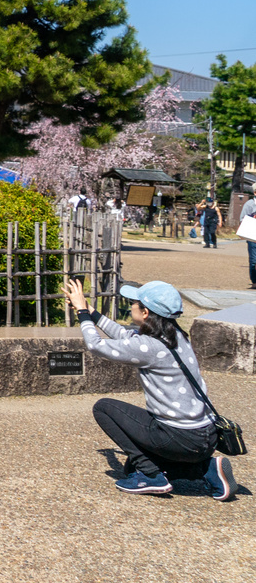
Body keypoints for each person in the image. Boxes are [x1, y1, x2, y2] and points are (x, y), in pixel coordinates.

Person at [62, 277, 236, 500]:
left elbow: (96, 345)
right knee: (130, 468)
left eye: (134, 302)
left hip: (180, 438)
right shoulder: (177, 336)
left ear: (145, 313)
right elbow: (126, 336)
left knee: (104, 408)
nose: (130, 305)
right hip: (205, 436)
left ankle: (152, 476)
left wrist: (82, 314)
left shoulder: (149, 346)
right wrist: (90, 311)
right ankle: (207, 469)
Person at [238, 195, 256, 289]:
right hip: (253, 235)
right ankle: (254, 281)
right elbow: (242, 219)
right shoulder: (249, 204)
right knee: (253, 260)